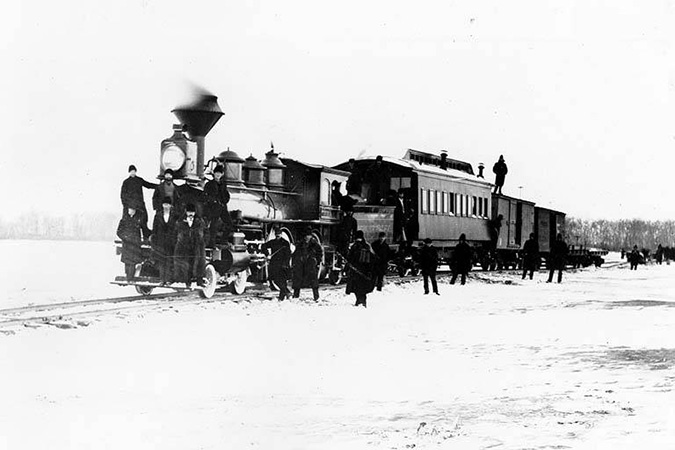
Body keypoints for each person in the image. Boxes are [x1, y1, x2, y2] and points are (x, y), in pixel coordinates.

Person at [120, 164, 157, 239]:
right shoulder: (126, 182)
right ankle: (128, 237)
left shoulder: (139, 180)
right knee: (129, 223)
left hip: (140, 205)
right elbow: (123, 196)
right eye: (131, 171)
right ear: (129, 172)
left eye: (134, 171)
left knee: (143, 221)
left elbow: (148, 185)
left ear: (135, 171)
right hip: (130, 207)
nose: (132, 173)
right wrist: (127, 206)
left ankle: (146, 236)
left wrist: (158, 186)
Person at [173, 204, 206, 288]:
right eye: (189, 212)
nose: (190, 214)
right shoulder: (180, 221)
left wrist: (203, 242)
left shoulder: (200, 221)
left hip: (197, 245)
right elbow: (175, 232)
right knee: (186, 264)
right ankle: (187, 281)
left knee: (199, 263)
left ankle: (199, 281)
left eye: (192, 212)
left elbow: (206, 232)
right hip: (185, 245)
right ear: (186, 212)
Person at [204, 165, 234, 246]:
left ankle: (223, 240)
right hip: (213, 208)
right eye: (216, 173)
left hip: (223, 207)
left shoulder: (223, 184)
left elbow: (226, 195)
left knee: (229, 224)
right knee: (213, 226)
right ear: (213, 173)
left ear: (222, 174)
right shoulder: (209, 184)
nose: (218, 174)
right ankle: (211, 244)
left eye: (219, 173)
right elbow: (206, 196)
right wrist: (213, 201)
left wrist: (224, 202)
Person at [151, 196, 178, 286]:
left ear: (171, 205)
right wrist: (154, 239)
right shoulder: (158, 215)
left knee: (170, 261)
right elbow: (154, 229)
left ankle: (169, 280)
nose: (166, 206)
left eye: (167, 204)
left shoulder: (175, 215)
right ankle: (162, 280)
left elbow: (178, 228)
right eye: (164, 204)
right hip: (161, 241)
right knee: (162, 261)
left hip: (171, 242)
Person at [291, 228, 323, 301]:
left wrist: (316, 261)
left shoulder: (315, 244)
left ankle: (316, 296)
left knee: (313, 281)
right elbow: (295, 253)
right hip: (301, 264)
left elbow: (320, 253)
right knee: (297, 279)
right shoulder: (300, 244)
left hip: (310, 264)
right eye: (305, 236)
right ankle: (296, 295)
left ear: (311, 236)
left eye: (308, 236)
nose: (306, 237)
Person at [262, 225, 292, 300]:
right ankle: (287, 292)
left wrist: (285, 264)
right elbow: (263, 246)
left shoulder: (285, 243)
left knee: (282, 281)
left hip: (283, 265)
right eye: (276, 235)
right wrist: (267, 254)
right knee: (276, 280)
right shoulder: (273, 242)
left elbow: (288, 254)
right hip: (275, 264)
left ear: (281, 234)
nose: (277, 236)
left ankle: (282, 297)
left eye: (279, 234)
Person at [347, 230, 376, 307]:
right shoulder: (367, 246)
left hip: (358, 271)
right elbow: (373, 258)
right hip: (363, 271)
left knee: (357, 287)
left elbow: (350, 258)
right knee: (361, 287)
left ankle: (360, 301)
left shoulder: (355, 246)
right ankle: (361, 301)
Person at [116, 206, 144, 281]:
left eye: (133, 209)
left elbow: (143, 230)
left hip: (135, 245)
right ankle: (129, 277)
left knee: (132, 262)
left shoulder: (138, 220)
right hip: (127, 244)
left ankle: (130, 278)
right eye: (130, 209)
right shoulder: (123, 220)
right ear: (128, 210)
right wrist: (125, 237)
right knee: (127, 262)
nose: (131, 211)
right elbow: (119, 232)